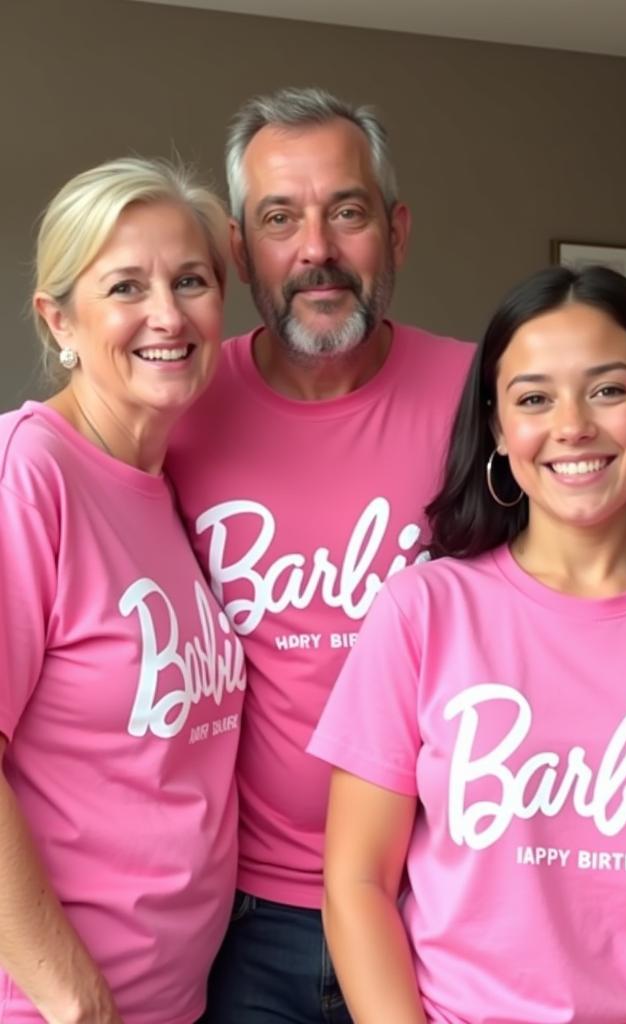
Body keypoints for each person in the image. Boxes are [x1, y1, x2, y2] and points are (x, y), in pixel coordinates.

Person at [308, 265, 626, 1022]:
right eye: (533, 398)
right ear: (497, 427)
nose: (573, 425)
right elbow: (355, 881)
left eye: (610, 389)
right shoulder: (422, 610)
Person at [164, 87, 473, 1022]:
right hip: (241, 919)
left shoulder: (491, 399)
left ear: (397, 230)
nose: (316, 250)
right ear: (237, 245)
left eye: (347, 211)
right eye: (279, 218)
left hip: (445, 902)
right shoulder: (177, 407)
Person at [0, 157, 245, 1023]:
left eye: (190, 280)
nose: (167, 316)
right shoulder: (29, 477)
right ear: (57, 317)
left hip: (175, 998)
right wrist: (74, 1003)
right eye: (125, 287)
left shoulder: (170, 484)